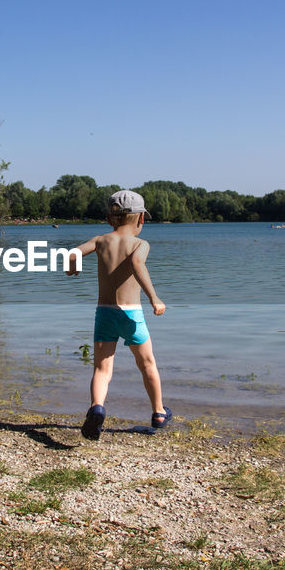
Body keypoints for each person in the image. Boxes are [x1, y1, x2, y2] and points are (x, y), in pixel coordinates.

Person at [66, 189, 169, 440]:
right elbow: (137, 264)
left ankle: (97, 407)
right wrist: (154, 298)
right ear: (141, 219)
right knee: (147, 364)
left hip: (104, 313)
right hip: (132, 314)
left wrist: (72, 269)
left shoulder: (101, 240)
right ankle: (158, 412)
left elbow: (72, 253)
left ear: (109, 219)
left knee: (102, 368)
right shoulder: (140, 244)